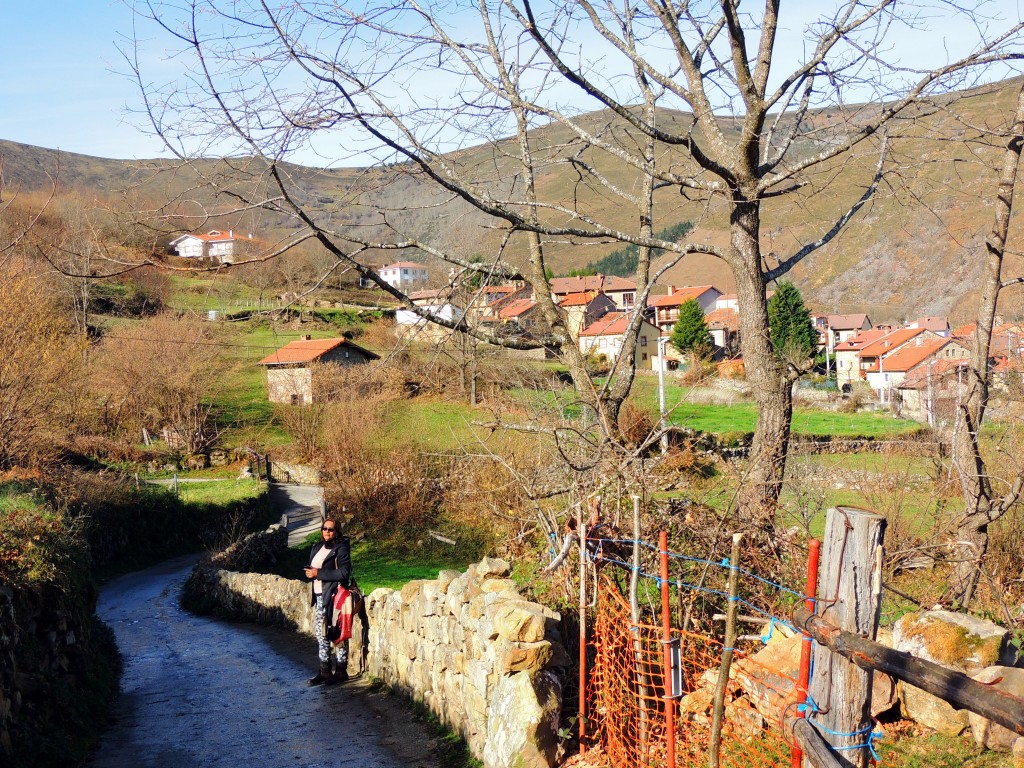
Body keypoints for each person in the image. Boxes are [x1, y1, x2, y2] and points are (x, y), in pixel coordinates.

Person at [303, 517, 351, 686]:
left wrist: (319, 574)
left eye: (331, 529)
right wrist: (311, 573)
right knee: (321, 633)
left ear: (337, 531)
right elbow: (315, 569)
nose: (327, 532)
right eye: (324, 528)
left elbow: (345, 572)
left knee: (337, 632)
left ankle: (340, 671)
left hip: (334, 596)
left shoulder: (342, 547)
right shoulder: (318, 547)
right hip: (319, 596)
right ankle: (324, 671)